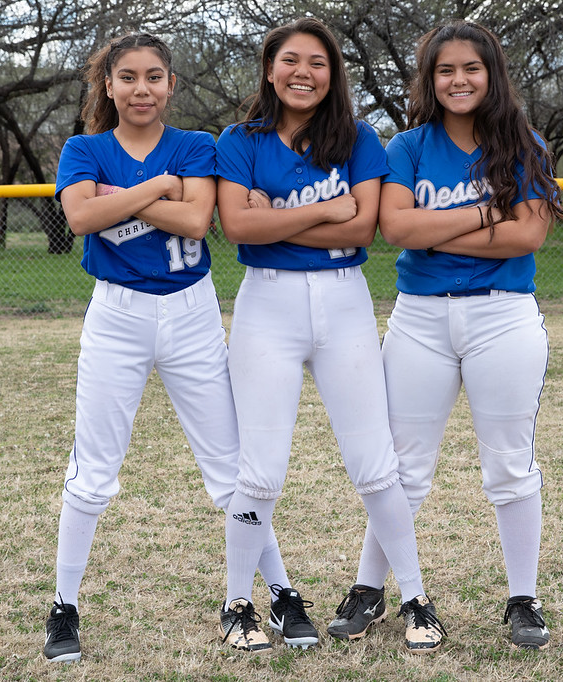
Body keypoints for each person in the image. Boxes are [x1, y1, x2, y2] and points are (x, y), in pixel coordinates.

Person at [43, 32, 292, 663]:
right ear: (108, 85)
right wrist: (162, 188)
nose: (141, 89)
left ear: (171, 84)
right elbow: (79, 219)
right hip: (117, 313)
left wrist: (117, 196)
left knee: (231, 468)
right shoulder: (83, 148)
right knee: (93, 469)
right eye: (127, 77)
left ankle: (280, 591)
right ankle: (64, 605)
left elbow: (195, 221)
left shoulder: (195, 145)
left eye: (154, 76)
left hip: (191, 312)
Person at [326, 21, 563, 650]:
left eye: (471, 68)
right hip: (420, 319)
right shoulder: (408, 146)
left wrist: (438, 229)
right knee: (402, 468)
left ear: (492, 74)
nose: (459, 80)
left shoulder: (524, 143)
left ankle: (523, 599)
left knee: (510, 464)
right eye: (445, 70)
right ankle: (370, 589)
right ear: (430, 79)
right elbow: (397, 230)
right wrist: (486, 212)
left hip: (503, 316)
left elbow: (528, 235)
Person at [215, 17, 446, 655]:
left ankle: (414, 597)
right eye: (290, 60)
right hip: (267, 305)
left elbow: (362, 229)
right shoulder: (240, 139)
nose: (303, 73)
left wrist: (277, 215)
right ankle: (238, 605)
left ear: (333, 74)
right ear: (270, 70)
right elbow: (239, 227)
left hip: (344, 302)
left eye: (318, 63)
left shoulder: (358, 137)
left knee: (376, 464)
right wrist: (323, 209)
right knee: (261, 470)